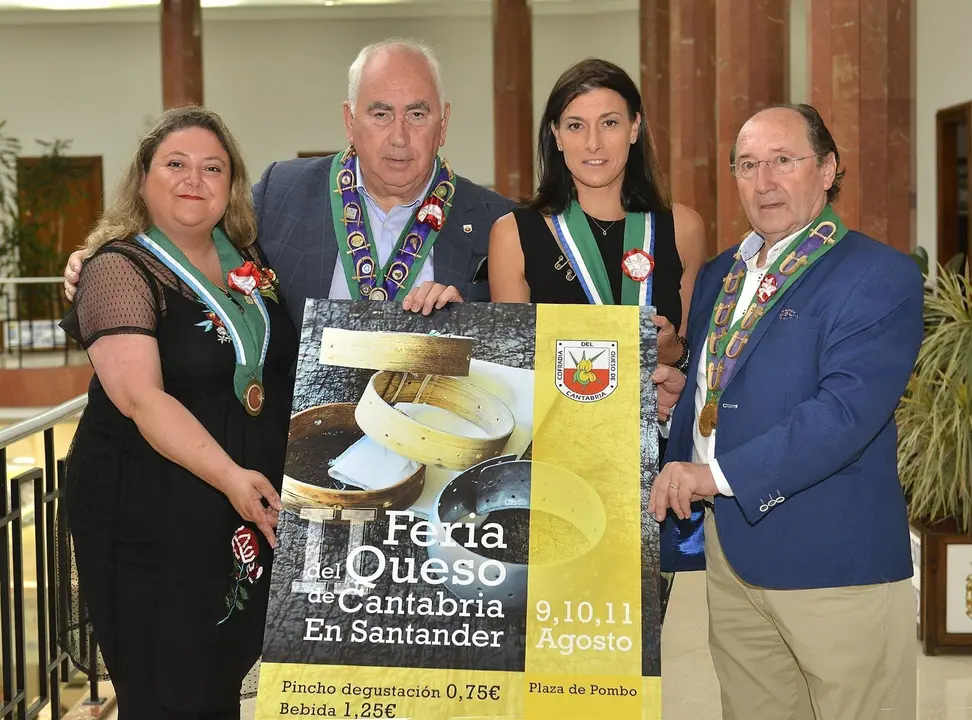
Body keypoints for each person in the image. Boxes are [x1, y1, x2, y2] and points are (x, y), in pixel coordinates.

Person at [648, 104, 922, 720]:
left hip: (834, 562)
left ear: (828, 169)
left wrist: (713, 477)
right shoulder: (723, 272)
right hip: (733, 554)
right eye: (747, 165)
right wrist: (682, 399)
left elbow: (845, 413)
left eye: (783, 160)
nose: (764, 180)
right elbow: (727, 381)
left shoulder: (878, 276)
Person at [59, 106, 297, 719]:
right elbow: (142, 398)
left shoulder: (251, 262)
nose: (195, 178)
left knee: (217, 683)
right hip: (149, 511)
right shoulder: (117, 268)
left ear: (231, 186)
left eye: (212, 167)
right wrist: (232, 479)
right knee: (166, 693)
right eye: (176, 164)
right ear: (143, 179)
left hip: (237, 511)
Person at [62, 38, 513, 321]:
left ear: (444, 122)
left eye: (417, 114)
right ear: (349, 121)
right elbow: (197, 243)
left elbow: (521, 350)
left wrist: (464, 322)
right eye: (380, 113)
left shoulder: (499, 220)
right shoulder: (283, 191)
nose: (399, 136)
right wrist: (119, 257)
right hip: (294, 449)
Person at [488, 57, 707, 618]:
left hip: (652, 472)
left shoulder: (680, 225)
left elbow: (697, 355)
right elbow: (508, 367)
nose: (593, 141)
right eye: (576, 124)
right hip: (553, 471)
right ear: (555, 136)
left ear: (635, 129)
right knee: (552, 639)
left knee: (630, 641)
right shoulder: (515, 233)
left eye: (609, 122)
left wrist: (673, 354)